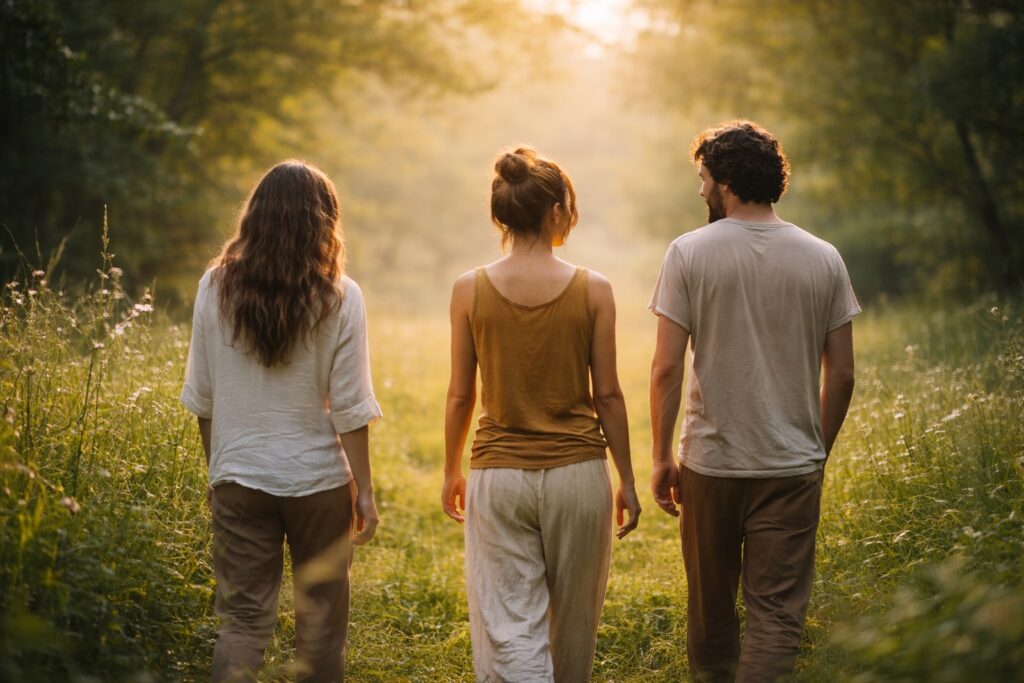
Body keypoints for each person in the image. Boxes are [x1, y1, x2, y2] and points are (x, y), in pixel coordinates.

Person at [648, 121, 859, 682]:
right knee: (776, 617)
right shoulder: (824, 258)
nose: (700, 191)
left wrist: (661, 456)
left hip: (711, 464)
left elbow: (667, 366)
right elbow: (841, 375)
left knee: (711, 611)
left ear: (727, 181)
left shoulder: (688, 253)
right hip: (792, 466)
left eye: (703, 178)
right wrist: (816, 450)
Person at [441, 147, 641, 682]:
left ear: (500, 215)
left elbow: (461, 394)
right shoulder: (594, 290)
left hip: (498, 475)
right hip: (578, 477)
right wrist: (626, 478)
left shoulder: (469, 289)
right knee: (573, 625)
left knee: (509, 625)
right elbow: (610, 396)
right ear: (556, 211)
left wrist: (450, 470)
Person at [180, 160, 383, 683]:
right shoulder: (341, 295)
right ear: (324, 222)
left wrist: (220, 470)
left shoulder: (213, 287)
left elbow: (204, 399)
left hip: (238, 477)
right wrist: (363, 490)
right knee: (320, 631)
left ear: (256, 217)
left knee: (243, 623)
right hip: (318, 485)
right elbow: (352, 405)